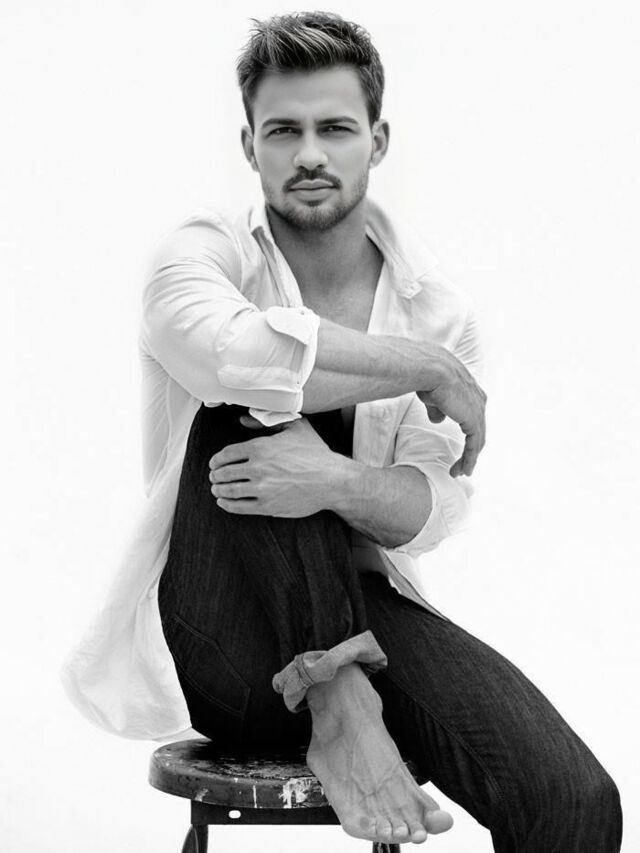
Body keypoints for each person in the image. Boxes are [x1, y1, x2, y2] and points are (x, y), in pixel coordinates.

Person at [62, 11, 622, 851]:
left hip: (371, 611)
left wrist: (332, 480)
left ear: (377, 140)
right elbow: (233, 356)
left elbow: (427, 511)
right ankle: (339, 700)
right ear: (250, 146)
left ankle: (348, 685)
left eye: (335, 128)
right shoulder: (200, 258)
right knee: (243, 400)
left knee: (574, 800)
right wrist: (421, 368)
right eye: (283, 131)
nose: (309, 154)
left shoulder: (438, 310)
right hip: (222, 634)